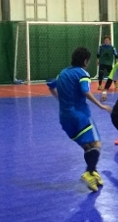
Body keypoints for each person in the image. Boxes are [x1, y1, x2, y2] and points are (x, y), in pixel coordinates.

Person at [47, 47, 112, 193]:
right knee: (97, 144)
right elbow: (85, 91)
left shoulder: (62, 73)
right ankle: (89, 172)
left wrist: (63, 100)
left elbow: (52, 88)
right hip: (80, 116)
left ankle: (92, 171)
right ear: (85, 61)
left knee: (87, 147)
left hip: (64, 118)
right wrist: (101, 105)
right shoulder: (83, 73)